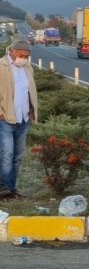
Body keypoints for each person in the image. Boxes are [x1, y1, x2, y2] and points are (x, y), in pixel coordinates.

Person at [0, 39, 38, 198]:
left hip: (23, 118)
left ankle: (12, 189)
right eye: (22, 55)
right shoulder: (1, 66)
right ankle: (3, 189)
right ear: (13, 51)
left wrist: (31, 112)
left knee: (17, 157)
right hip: (6, 118)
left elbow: (30, 90)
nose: (25, 58)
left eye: (27, 56)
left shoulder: (27, 67)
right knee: (6, 154)